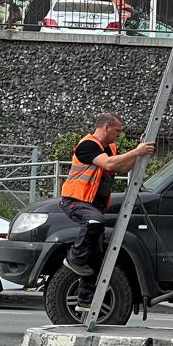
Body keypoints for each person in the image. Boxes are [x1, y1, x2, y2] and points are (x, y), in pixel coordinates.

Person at [60, 114, 155, 307]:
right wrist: (136, 152)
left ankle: (85, 300)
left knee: (95, 255)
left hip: (94, 206)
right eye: (117, 130)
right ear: (105, 127)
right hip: (75, 201)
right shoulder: (88, 145)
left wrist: (140, 153)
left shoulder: (109, 148)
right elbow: (109, 164)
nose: (119, 135)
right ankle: (74, 258)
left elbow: (120, 168)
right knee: (94, 221)